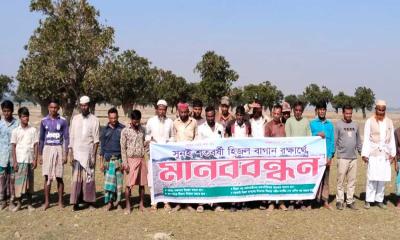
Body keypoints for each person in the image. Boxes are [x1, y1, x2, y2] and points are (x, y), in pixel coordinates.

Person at [362, 100, 396, 209]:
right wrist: (364, 154)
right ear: (375, 109)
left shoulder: (389, 122)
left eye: (383, 110)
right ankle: (369, 200)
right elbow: (366, 139)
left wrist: (392, 153)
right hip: (373, 153)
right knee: (371, 177)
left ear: (385, 110)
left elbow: (391, 140)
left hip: (385, 154)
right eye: (379, 109)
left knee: (382, 178)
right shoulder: (369, 121)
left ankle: (379, 200)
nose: (381, 112)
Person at [69, 96, 100, 211]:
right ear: (79, 106)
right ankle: (76, 203)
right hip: (76, 153)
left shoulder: (95, 120)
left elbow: (96, 141)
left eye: (85, 105)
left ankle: (90, 202)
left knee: (89, 178)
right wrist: (70, 153)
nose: (84, 107)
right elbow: (71, 137)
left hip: (88, 154)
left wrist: (94, 156)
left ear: (89, 105)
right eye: (82, 105)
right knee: (76, 179)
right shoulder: (75, 119)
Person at [39, 99, 69, 210]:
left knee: (59, 177)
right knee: (47, 176)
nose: (53, 109)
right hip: (47, 149)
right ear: (48, 107)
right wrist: (40, 155)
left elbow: (66, 138)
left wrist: (66, 154)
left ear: (58, 108)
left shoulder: (63, 121)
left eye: (55, 107)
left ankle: (60, 202)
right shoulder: (43, 121)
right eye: (51, 107)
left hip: (58, 149)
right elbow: (41, 139)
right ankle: (47, 202)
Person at [145, 99, 174, 211]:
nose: (161, 111)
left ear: (166, 110)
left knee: (166, 179)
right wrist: (150, 141)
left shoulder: (170, 122)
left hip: (166, 156)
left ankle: (166, 202)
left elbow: (172, 137)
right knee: (153, 179)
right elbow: (147, 136)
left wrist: (168, 144)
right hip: (153, 155)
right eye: (159, 109)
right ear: (156, 110)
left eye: (163, 109)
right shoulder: (151, 121)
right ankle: (154, 203)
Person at [196, 106, 225, 212]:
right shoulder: (201, 128)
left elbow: (223, 142)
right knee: (204, 181)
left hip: (217, 160)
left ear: (215, 116)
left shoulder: (220, 127)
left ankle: (216, 204)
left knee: (216, 181)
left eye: (212, 116)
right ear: (205, 116)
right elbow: (198, 145)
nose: (210, 118)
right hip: (205, 159)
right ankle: (201, 204)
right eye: (208, 116)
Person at [284, 101, 311, 210]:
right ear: (293, 111)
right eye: (296, 110)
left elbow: (309, 137)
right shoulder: (289, 121)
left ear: (302, 111)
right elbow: (288, 138)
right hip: (292, 155)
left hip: (303, 156)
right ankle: (291, 201)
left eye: (300, 110)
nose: (298, 112)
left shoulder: (306, 121)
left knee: (302, 179)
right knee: (292, 179)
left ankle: (301, 201)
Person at [171, 102, 198, 212]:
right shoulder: (175, 123)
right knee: (178, 180)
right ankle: (178, 204)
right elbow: (173, 137)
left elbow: (196, 137)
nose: (183, 114)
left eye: (185, 112)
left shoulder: (194, 122)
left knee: (189, 180)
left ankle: (188, 204)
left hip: (190, 156)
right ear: (178, 112)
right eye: (181, 112)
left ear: (188, 112)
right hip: (178, 156)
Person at [334, 105, 362, 210]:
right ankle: (340, 201)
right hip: (342, 157)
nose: (349, 115)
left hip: (353, 158)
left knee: (352, 181)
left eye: (350, 113)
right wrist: (334, 153)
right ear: (343, 113)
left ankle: (350, 200)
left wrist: (361, 152)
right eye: (347, 113)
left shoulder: (355, 125)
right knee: (340, 181)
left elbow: (358, 140)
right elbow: (335, 141)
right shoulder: (338, 125)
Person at [11, 107, 38, 212]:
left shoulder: (33, 130)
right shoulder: (15, 131)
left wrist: (35, 159)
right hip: (20, 160)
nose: (25, 118)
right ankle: (19, 204)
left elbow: (36, 145)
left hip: (29, 160)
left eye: (27, 116)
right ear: (19, 117)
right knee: (19, 184)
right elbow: (13, 146)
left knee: (29, 184)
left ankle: (30, 204)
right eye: (23, 116)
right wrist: (15, 161)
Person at [225, 105, 251, 212]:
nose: (239, 117)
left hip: (244, 157)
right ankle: (233, 203)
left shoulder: (247, 125)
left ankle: (243, 203)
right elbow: (226, 137)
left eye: (241, 115)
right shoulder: (231, 124)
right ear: (235, 115)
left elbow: (250, 137)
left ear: (244, 116)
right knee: (234, 180)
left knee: (244, 179)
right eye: (238, 115)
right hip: (233, 157)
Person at [121, 110, 147, 214]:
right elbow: (122, 148)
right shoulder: (125, 131)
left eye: (138, 121)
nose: (137, 123)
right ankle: (128, 206)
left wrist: (148, 143)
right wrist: (125, 163)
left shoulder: (142, 130)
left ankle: (141, 205)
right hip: (130, 160)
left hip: (141, 159)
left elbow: (143, 142)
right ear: (131, 120)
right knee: (128, 184)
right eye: (135, 121)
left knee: (142, 184)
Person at [310, 101, 335, 210]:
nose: (321, 111)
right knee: (315, 179)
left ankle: (325, 201)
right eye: (319, 109)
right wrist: (316, 134)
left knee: (326, 180)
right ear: (317, 111)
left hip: (326, 157)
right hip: (315, 157)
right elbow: (309, 137)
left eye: (323, 109)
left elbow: (332, 141)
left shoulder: (330, 125)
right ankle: (313, 200)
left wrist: (330, 156)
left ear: (325, 110)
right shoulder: (312, 124)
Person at [99, 107, 125, 211]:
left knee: (118, 184)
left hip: (119, 160)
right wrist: (101, 163)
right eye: (111, 118)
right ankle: (109, 203)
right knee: (109, 185)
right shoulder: (104, 130)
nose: (113, 120)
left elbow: (124, 147)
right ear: (108, 118)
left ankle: (118, 203)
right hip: (108, 161)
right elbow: (102, 148)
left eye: (115, 118)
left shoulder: (122, 129)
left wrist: (124, 162)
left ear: (117, 117)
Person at [264, 104, 287, 211]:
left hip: (282, 158)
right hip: (272, 158)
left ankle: (281, 202)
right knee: (272, 180)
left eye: (279, 113)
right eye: (275, 113)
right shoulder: (268, 126)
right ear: (272, 113)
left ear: (281, 114)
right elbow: (266, 142)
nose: (277, 115)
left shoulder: (284, 126)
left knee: (282, 180)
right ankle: (272, 203)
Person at [0, 100, 19, 210]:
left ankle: (12, 200)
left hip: (13, 157)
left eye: (8, 111)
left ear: (12, 111)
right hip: (2, 156)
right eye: (4, 111)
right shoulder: (0, 124)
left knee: (12, 179)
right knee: (2, 179)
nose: (6, 113)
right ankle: (2, 200)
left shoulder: (17, 124)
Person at [394, 126, 400, 208]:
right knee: (399, 181)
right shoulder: (397, 131)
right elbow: (394, 148)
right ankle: (399, 200)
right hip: (399, 159)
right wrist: (395, 162)